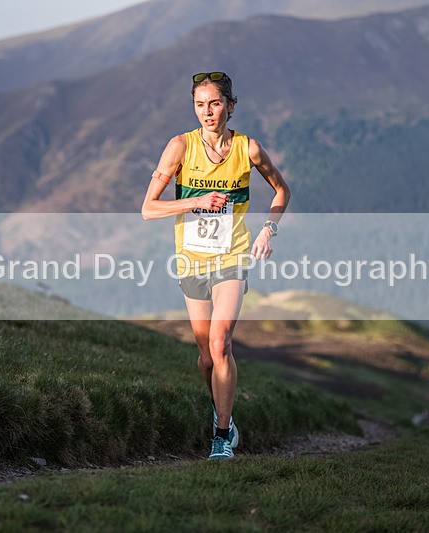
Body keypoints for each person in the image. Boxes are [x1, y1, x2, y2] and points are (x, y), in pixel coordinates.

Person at [141, 71, 290, 460]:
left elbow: (281, 190)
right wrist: (196, 201)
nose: (207, 112)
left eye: (215, 103)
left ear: (230, 106)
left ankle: (221, 436)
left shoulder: (248, 149)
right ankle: (223, 412)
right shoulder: (180, 146)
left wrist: (268, 230)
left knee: (221, 343)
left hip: (232, 256)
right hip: (192, 259)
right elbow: (148, 208)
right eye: (199, 104)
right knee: (206, 356)